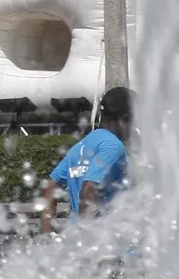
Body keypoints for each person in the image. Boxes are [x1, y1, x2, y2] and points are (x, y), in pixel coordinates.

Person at [41, 86, 134, 233]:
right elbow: (89, 187)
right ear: (126, 118)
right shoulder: (113, 146)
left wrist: (45, 237)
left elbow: (51, 187)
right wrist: (86, 241)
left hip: (79, 242)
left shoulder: (81, 147)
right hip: (109, 247)